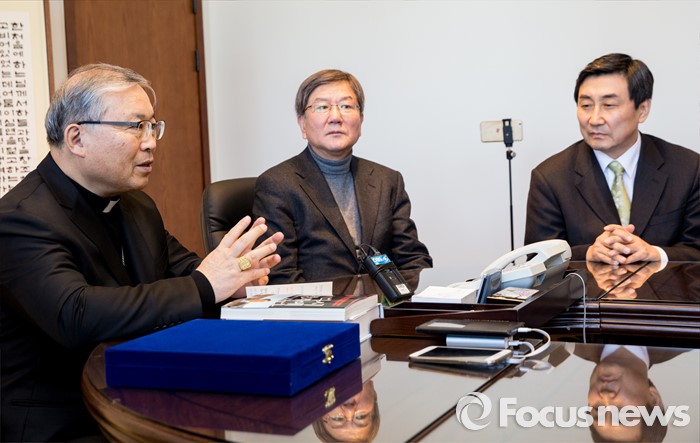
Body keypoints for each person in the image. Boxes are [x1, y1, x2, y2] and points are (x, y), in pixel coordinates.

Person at [0, 63, 283, 442]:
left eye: (153, 126)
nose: (151, 142)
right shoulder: (20, 219)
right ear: (76, 138)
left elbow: (188, 272)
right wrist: (207, 285)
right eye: (135, 127)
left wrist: (236, 281)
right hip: (66, 420)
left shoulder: (137, 206)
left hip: (142, 391)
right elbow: (76, 315)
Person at [253, 69, 432, 284]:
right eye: (322, 107)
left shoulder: (387, 180)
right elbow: (281, 275)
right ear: (302, 124)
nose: (336, 117)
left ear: (361, 120)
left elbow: (413, 260)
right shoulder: (278, 184)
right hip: (317, 305)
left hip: (381, 304)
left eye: (346, 106)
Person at [525, 53, 700, 265]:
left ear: (642, 110)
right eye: (586, 105)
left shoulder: (688, 169)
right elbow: (537, 264)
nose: (594, 119)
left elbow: (696, 249)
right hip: (587, 288)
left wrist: (656, 254)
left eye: (609, 105)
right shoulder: (550, 178)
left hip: (666, 287)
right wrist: (587, 254)